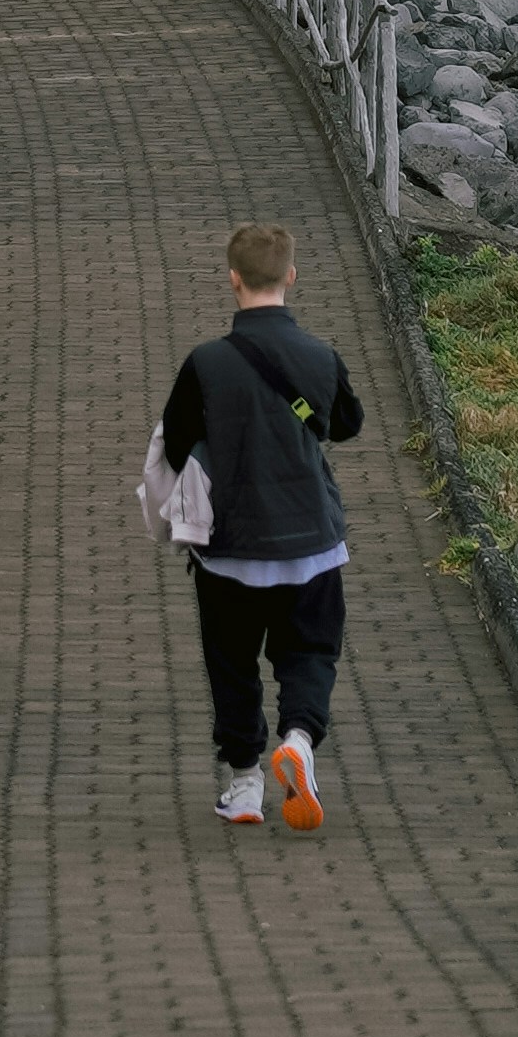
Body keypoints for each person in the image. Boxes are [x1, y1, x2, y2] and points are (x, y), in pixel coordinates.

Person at [156, 222, 363, 830]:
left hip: (229, 549)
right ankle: (299, 738)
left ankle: (245, 786)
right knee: (310, 651)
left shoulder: (207, 363)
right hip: (311, 546)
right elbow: (346, 425)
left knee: (232, 662)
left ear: (233, 279)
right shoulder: (322, 356)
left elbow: (175, 443)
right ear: (291, 277)